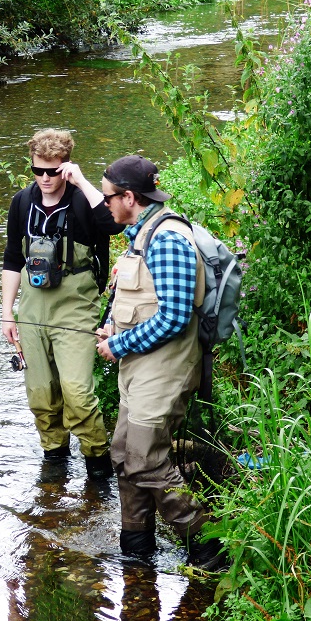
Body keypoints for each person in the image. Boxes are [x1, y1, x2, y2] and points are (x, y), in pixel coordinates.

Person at [94, 154, 225, 570]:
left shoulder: (167, 240)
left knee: (147, 458)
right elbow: (138, 299)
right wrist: (113, 327)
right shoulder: (140, 232)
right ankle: (136, 545)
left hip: (166, 369)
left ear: (129, 196)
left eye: (108, 197)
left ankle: (208, 546)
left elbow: (174, 316)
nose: (105, 204)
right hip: (140, 366)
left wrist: (119, 344)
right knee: (122, 451)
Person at [1, 129, 124, 479]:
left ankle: (97, 464)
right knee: (41, 393)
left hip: (76, 304)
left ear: (66, 166)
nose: (44, 179)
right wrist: (6, 313)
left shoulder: (86, 201)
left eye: (52, 171)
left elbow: (113, 225)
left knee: (76, 392)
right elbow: (13, 259)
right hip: (32, 308)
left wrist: (83, 182)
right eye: (37, 170)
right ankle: (54, 461)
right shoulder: (22, 202)